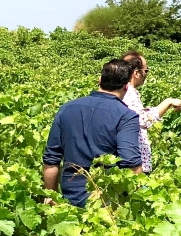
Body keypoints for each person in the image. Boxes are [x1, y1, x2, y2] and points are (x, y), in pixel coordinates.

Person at [42, 59, 143, 208]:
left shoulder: (66, 109)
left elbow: (51, 160)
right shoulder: (126, 116)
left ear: (100, 80)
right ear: (126, 87)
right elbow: (132, 165)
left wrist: (52, 198)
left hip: (70, 197)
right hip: (106, 202)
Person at [121, 51, 181, 173]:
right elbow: (143, 120)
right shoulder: (128, 93)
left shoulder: (122, 91)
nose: (147, 74)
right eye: (146, 70)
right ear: (136, 73)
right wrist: (167, 102)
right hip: (134, 165)